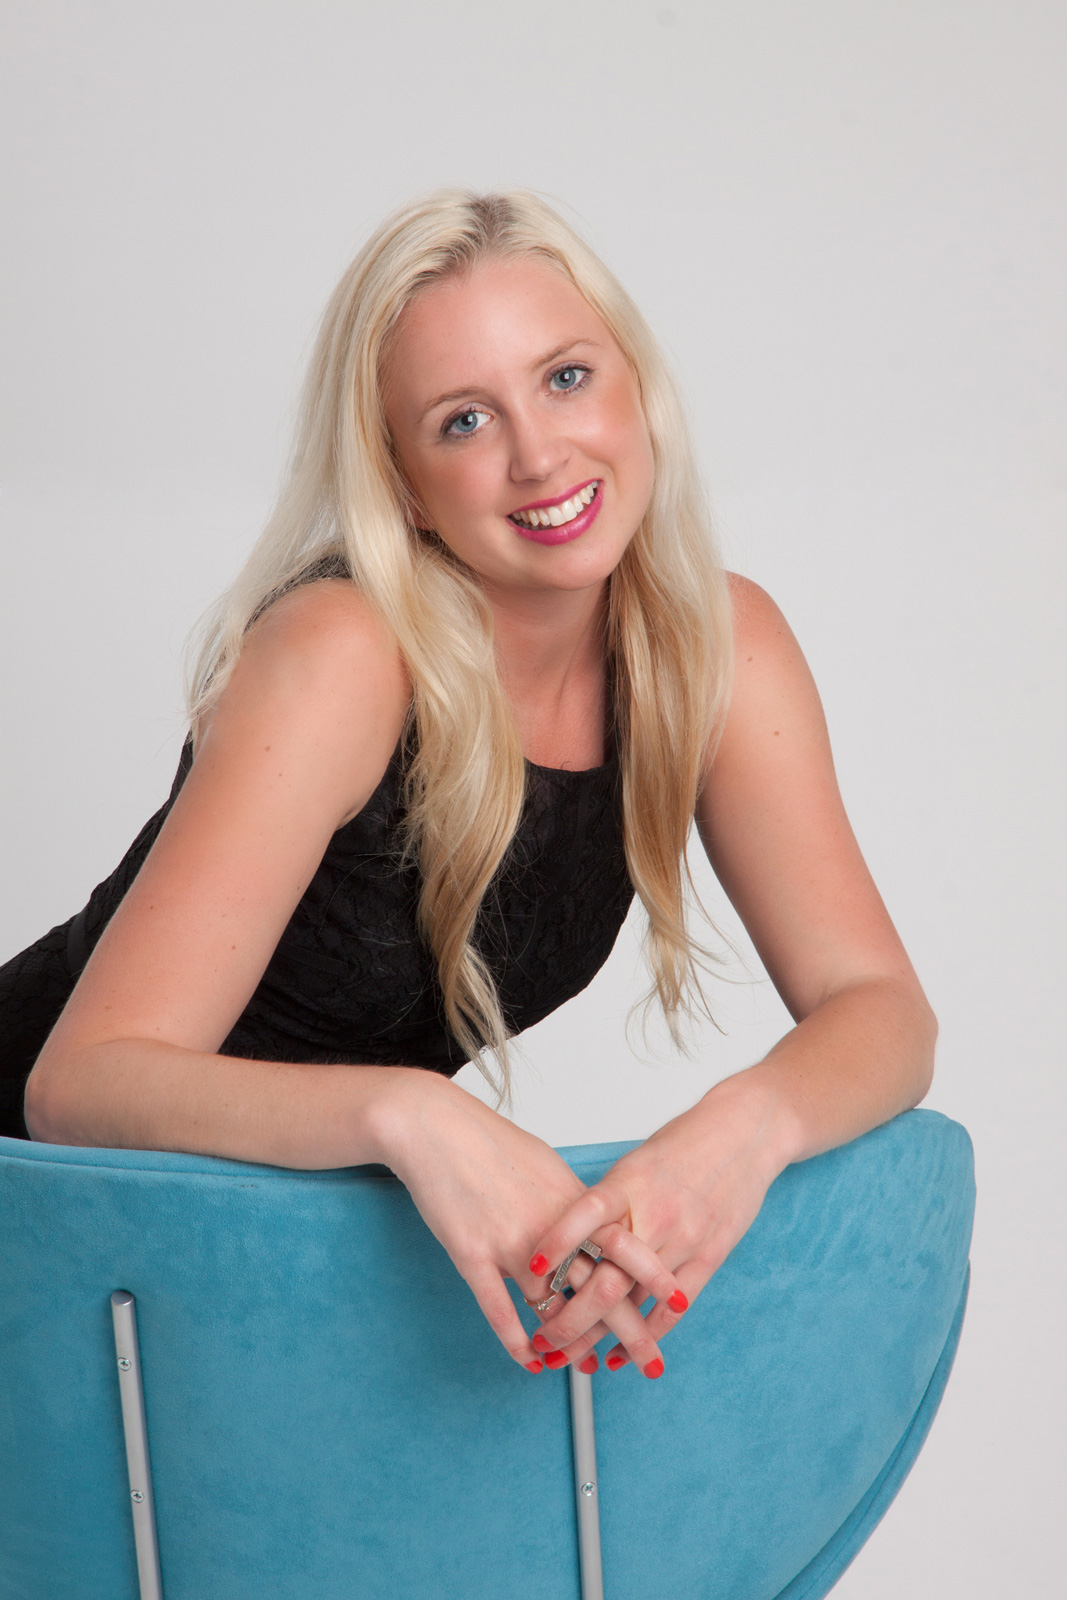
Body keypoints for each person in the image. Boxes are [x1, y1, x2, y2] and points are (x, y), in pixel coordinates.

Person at [3, 190, 936, 1382]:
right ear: (398, 478)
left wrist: (739, 1131)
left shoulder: (716, 647)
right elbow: (77, 1084)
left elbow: (881, 1008)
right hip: (45, 1220)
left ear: (636, 384)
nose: (539, 454)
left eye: (564, 378)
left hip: (263, 1264)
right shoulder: (342, 654)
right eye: (461, 420)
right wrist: (408, 1113)